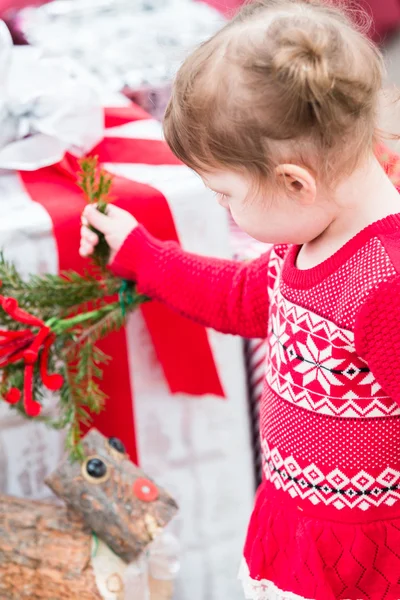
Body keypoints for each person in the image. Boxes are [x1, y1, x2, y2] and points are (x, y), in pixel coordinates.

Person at [80, 0, 400, 597]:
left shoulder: (384, 280)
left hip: (363, 563)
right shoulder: (310, 238)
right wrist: (140, 254)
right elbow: (240, 297)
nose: (223, 210)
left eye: (226, 195)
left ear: (293, 181)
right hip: (295, 531)